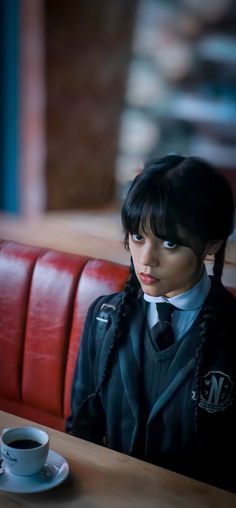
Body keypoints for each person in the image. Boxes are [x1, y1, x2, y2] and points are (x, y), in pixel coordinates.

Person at [66, 155, 236, 493]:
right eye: (137, 237)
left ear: (212, 245)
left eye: (169, 243)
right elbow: (81, 429)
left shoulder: (232, 333)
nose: (146, 260)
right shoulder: (103, 318)